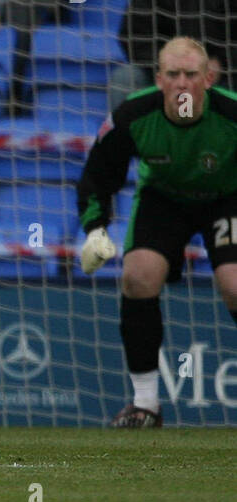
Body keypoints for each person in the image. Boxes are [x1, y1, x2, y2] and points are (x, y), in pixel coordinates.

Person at [77, 36, 237, 427]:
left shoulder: (232, 115)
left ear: (209, 78)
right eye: (173, 74)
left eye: (191, 74)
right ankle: (145, 404)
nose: (182, 83)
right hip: (164, 198)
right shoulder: (132, 115)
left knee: (235, 284)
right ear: (159, 79)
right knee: (137, 277)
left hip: (226, 197)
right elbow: (97, 177)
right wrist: (95, 230)